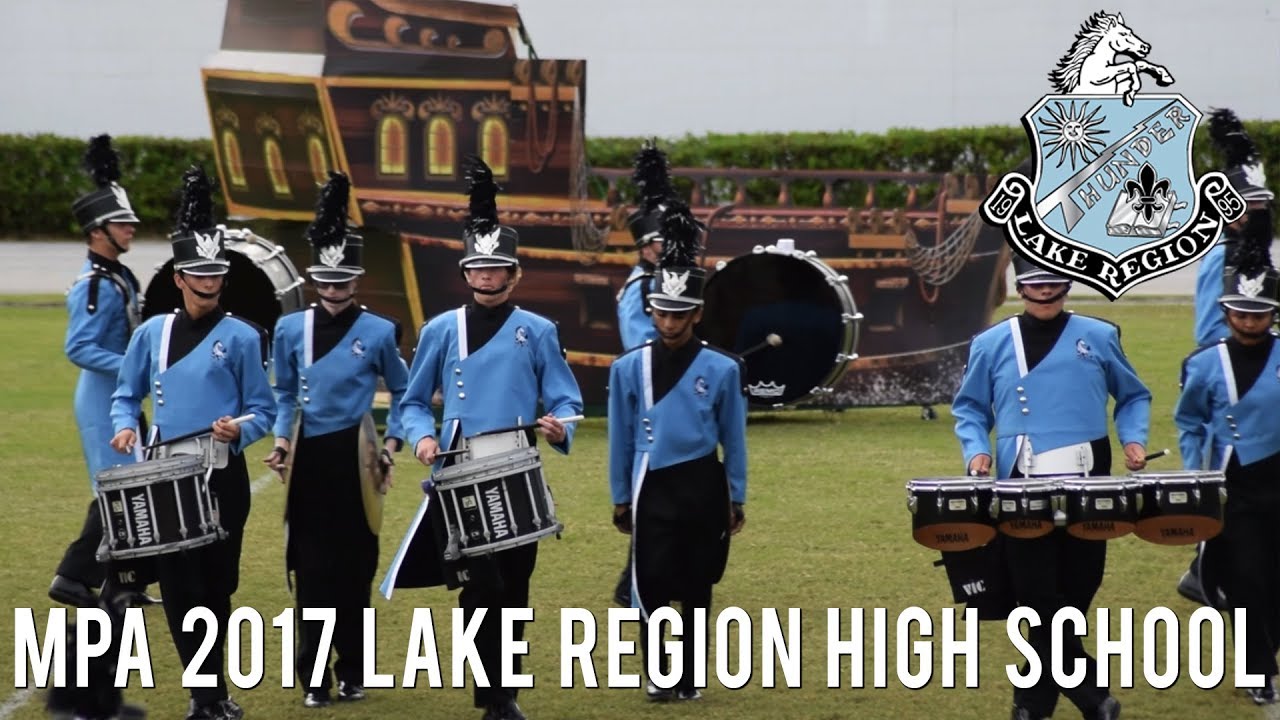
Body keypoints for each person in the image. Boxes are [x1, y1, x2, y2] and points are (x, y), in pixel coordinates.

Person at [382, 156, 583, 720]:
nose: (487, 277)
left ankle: (507, 690)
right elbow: (413, 401)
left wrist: (558, 425)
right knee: (479, 588)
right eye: (478, 268)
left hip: (518, 467)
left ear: (514, 273)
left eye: (498, 269)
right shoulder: (442, 329)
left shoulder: (539, 331)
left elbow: (567, 401)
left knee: (515, 587)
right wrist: (421, 437)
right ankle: (494, 697)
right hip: (459, 472)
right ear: (466, 272)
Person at [952, 255, 1151, 720]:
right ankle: (1086, 694)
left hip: (1089, 480)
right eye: (1035, 285)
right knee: (1036, 592)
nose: (1044, 293)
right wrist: (976, 449)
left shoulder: (1100, 335)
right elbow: (970, 409)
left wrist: (1135, 438)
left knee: (1081, 585)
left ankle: (1035, 699)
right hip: (1021, 482)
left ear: (1066, 286)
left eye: (1053, 284)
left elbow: (1134, 395)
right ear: (1021, 288)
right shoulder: (992, 342)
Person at [109, 166, 275, 720]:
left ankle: (215, 688)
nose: (209, 282)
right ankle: (203, 696)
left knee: (218, 586)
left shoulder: (245, 336)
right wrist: (125, 424)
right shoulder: (149, 333)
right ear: (180, 276)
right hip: (166, 476)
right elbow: (125, 394)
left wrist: (242, 428)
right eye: (198, 273)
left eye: (216, 273)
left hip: (222, 473)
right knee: (180, 587)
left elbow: (266, 409)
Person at [264, 171, 409, 708]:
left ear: (356, 280)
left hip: (357, 462)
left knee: (355, 571)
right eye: (325, 281)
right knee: (312, 575)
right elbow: (282, 396)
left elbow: (404, 392)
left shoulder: (378, 331)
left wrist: (390, 449)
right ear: (313, 279)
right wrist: (281, 443)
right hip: (308, 466)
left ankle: (353, 670)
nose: (333, 291)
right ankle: (313, 678)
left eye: (343, 282)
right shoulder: (288, 330)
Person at [607, 197, 748, 702]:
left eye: (680, 312)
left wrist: (736, 496)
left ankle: (688, 675)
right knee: (650, 583)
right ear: (651, 309)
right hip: (651, 485)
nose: (670, 322)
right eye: (663, 312)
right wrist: (620, 496)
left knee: (696, 585)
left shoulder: (724, 369)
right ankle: (657, 673)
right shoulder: (628, 369)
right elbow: (621, 437)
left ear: (698, 312)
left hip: (702, 485)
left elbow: (734, 438)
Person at [1174, 220, 1280, 706]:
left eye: (1258, 313)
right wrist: (1196, 473)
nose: (1250, 321)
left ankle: (1266, 647)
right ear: (1226, 310)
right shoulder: (1204, 363)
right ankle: (1259, 669)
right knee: (1247, 578)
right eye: (1241, 312)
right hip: (1233, 485)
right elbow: (1191, 420)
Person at [1180, 107, 1276, 604]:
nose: (1255, 211)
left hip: (1257, 367)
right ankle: (1202, 567)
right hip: (1225, 371)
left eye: (1260, 204)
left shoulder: (1252, 250)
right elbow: (1209, 328)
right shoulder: (1225, 255)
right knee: (1223, 476)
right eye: (1247, 203)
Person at [50, 134, 144, 609]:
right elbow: (80, 347)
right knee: (117, 491)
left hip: (118, 393)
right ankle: (72, 576)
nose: (132, 229)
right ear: (97, 232)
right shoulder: (94, 286)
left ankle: (122, 583)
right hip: (102, 396)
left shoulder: (119, 277)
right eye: (121, 224)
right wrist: (134, 365)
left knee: (133, 487)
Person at [611, 140, 675, 607]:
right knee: (650, 495)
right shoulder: (639, 288)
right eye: (659, 241)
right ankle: (633, 585)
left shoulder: (678, 283)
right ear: (645, 246)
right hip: (652, 399)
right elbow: (641, 347)